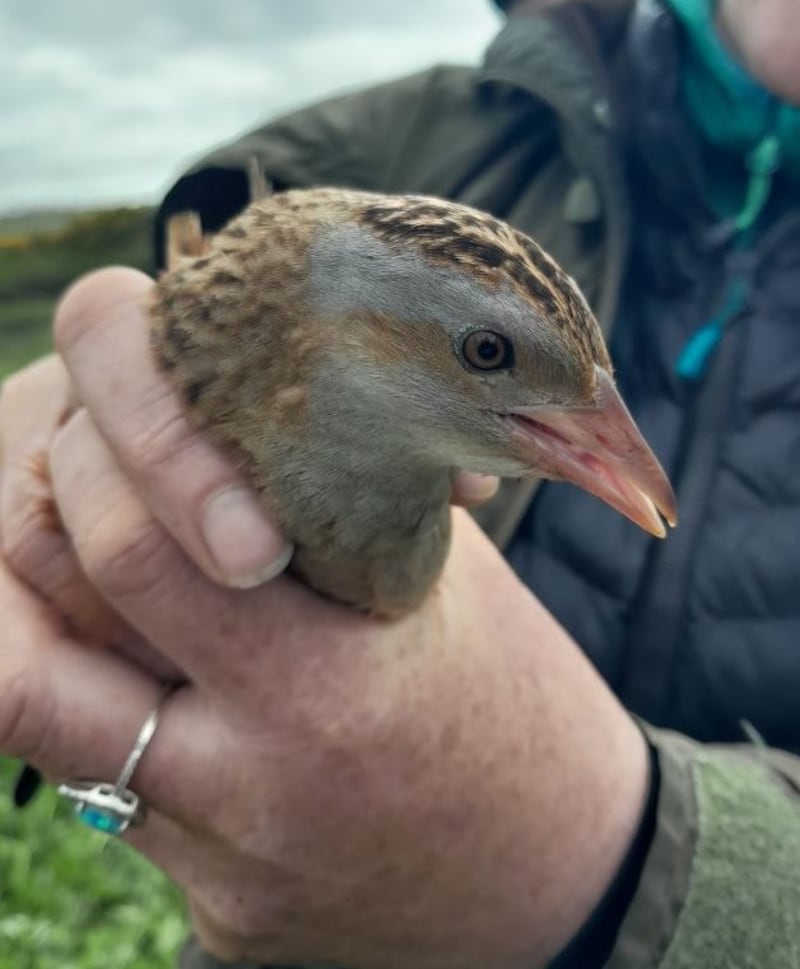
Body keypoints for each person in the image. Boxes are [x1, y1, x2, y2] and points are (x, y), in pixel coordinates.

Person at [1, 1, 800, 967]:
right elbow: (192, 244)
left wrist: (634, 863)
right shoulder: (452, 130)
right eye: (490, 349)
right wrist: (98, 409)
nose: (616, 450)